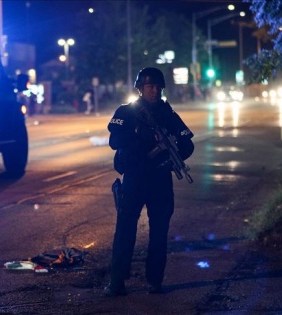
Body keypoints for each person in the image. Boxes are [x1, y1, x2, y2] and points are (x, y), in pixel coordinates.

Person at [104, 67, 194, 296]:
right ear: (140, 88)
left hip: (159, 180)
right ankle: (117, 281)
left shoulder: (167, 114)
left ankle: (155, 280)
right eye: (149, 86)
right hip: (134, 177)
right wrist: (138, 133)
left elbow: (187, 143)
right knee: (125, 231)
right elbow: (115, 140)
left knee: (159, 232)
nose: (154, 90)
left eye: (157, 86)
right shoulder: (127, 112)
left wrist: (173, 156)